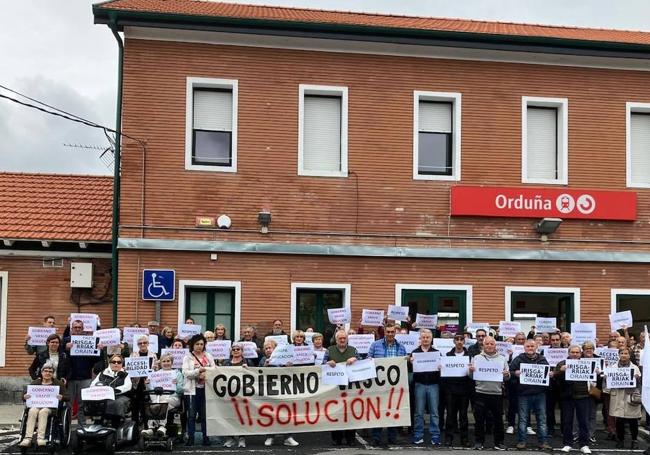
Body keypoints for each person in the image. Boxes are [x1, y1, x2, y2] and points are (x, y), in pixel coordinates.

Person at [367, 323, 407, 446]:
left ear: (395, 332)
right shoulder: (375, 345)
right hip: (379, 384)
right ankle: (376, 437)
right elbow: (369, 358)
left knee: (393, 410)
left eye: (392, 332)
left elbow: (404, 363)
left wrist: (407, 360)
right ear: (384, 332)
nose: (390, 334)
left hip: (395, 385)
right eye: (388, 332)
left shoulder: (401, 347)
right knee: (378, 410)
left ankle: (392, 437)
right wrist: (369, 360)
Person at [510, 339, 551, 450]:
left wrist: (550, 374)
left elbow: (547, 372)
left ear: (536, 347)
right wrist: (515, 373)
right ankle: (522, 441)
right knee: (523, 419)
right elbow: (510, 372)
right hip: (524, 393)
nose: (530, 348)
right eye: (528, 346)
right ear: (524, 347)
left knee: (541, 419)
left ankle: (543, 441)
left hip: (539, 393)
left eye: (532, 346)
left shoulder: (542, 359)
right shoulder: (518, 359)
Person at [469, 336, 509, 451]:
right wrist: (470, 371)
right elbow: (471, 377)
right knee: (479, 419)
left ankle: (499, 443)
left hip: (496, 393)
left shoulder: (502, 358)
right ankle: (479, 442)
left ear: (495, 346)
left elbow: (507, 377)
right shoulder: (476, 358)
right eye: (487, 344)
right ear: (483, 345)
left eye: (492, 344)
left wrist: (507, 375)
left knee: (498, 420)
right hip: (480, 392)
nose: (490, 346)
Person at [259, 340, 299, 447]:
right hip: (270, 391)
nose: (268, 350)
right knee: (270, 414)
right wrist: (265, 366)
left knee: (286, 413)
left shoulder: (284, 359)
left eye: (270, 348)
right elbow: (257, 373)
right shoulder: (264, 359)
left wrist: (289, 367)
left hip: (284, 390)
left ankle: (288, 437)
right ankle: (270, 436)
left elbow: (292, 374)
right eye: (266, 348)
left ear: (275, 349)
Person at [19, 361, 68, 448]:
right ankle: (28, 438)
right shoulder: (35, 382)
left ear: (53, 373)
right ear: (41, 372)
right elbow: (24, 395)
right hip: (36, 405)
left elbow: (68, 397)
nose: (47, 373)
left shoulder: (58, 383)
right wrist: (25, 396)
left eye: (50, 371)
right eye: (45, 371)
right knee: (32, 411)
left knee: (43, 412)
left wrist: (62, 397)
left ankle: (40, 438)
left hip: (50, 407)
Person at [323, 330, 358, 446]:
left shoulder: (353, 350)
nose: (342, 340)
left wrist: (355, 360)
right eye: (340, 339)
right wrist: (328, 362)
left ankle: (350, 438)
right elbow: (321, 365)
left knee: (350, 412)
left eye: (344, 338)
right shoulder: (330, 350)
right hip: (334, 387)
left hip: (350, 386)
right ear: (336, 339)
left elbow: (362, 364)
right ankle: (336, 438)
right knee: (336, 412)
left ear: (347, 339)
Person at [555, 345, 592, 454]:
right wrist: (561, 371)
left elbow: (596, 378)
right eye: (572, 352)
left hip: (583, 396)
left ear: (581, 353)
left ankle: (584, 444)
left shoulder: (587, 363)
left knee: (584, 421)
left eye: (577, 352)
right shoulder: (562, 363)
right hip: (567, 397)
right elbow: (555, 377)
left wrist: (597, 372)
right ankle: (567, 443)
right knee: (567, 421)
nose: (575, 354)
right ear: (569, 352)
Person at [409, 329, 441, 446]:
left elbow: (442, 370)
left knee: (434, 412)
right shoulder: (414, 352)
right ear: (420, 339)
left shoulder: (437, 353)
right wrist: (410, 362)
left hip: (433, 385)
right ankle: (418, 434)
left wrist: (441, 366)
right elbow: (409, 369)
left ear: (431, 339)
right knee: (418, 412)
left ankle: (435, 435)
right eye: (424, 337)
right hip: (419, 385)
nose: (426, 339)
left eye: (428, 337)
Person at [63, 319, 98, 425]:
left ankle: (82, 425)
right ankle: (66, 425)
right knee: (68, 403)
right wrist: (65, 348)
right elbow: (58, 353)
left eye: (80, 327)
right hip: (70, 378)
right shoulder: (65, 340)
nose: (77, 329)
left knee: (83, 403)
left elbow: (96, 360)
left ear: (83, 329)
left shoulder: (89, 340)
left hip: (85, 377)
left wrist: (98, 350)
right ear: (71, 328)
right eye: (75, 327)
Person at [182, 334, 215, 446]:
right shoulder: (187, 357)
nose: (199, 346)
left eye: (201, 344)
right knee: (191, 416)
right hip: (191, 390)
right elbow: (186, 373)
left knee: (204, 416)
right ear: (192, 345)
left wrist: (204, 371)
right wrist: (197, 372)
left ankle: (206, 438)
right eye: (197, 344)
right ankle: (191, 438)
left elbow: (214, 369)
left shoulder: (209, 356)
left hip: (206, 390)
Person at [142, 353, 184, 439]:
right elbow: (151, 390)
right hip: (158, 398)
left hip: (173, 398)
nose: (166, 363)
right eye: (163, 361)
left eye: (168, 361)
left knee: (163, 402)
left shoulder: (177, 373)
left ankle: (162, 426)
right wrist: (147, 384)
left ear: (171, 362)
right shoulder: (156, 374)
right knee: (156, 402)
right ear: (160, 363)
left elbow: (181, 391)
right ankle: (151, 428)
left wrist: (177, 385)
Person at [222, 343, 255, 448]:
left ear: (242, 351)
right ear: (231, 351)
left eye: (238, 349)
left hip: (243, 394)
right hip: (229, 394)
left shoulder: (248, 362)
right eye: (234, 349)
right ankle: (230, 438)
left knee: (242, 416)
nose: (236, 351)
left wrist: (248, 369)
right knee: (229, 416)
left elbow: (255, 376)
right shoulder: (226, 363)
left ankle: (241, 438)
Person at [609, 346, 642, 449]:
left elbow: (639, 384)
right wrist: (607, 377)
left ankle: (634, 440)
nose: (624, 355)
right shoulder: (612, 367)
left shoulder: (635, 368)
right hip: (618, 395)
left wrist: (637, 379)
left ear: (629, 355)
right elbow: (607, 384)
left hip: (630, 396)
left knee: (633, 421)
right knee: (619, 420)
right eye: (622, 353)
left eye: (626, 353)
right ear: (618, 355)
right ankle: (620, 440)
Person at [441, 333, 471, 447]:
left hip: (464, 390)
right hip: (451, 390)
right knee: (450, 415)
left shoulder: (469, 355)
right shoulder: (448, 355)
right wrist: (442, 368)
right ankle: (449, 438)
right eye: (457, 339)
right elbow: (445, 374)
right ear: (454, 341)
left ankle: (464, 438)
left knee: (463, 416)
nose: (459, 341)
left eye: (461, 339)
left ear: (464, 341)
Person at [90, 354, 132, 422]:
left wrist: (117, 390)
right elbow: (93, 384)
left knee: (118, 403)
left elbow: (128, 385)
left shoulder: (125, 374)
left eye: (119, 362)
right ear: (110, 363)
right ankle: (99, 421)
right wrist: (101, 388)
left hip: (120, 395)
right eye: (114, 362)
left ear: (121, 364)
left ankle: (117, 421)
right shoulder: (103, 373)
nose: (116, 364)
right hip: (104, 396)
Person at [131, 335, 159, 425]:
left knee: (146, 405)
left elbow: (157, 371)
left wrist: (155, 368)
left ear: (148, 343)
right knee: (135, 406)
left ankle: (147, 426)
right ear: (138, 345)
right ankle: (134, 426)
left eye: (144, 342)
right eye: (140, 343)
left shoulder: (153, 355)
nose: (142, 344)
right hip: (136, 383)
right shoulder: (133, 354)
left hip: (148, 383)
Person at [506, 331, 528, 434]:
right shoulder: (510, 349)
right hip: (514, 380)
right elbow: (507, 365)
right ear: (515, 340)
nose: (521, 341)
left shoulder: (530, 349)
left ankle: (527, 425)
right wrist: (509, 356)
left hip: (527, 381)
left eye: (523, 339)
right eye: (519, 339)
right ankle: (511, 424)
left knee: (527, 404)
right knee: (512, 403)